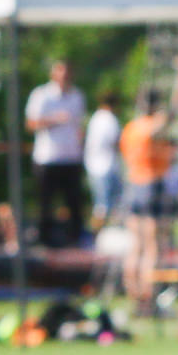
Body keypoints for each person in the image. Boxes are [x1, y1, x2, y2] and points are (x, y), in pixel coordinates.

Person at [117, 88, 178, 308]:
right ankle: (148, 296)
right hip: (151, 185)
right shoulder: (150, 127)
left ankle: (133, 293)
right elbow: (173, 114)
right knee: (153, 246)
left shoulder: (130, 128)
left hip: (133, 185)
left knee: (136, 245)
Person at [24, 57, 89, 249]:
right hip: (48, 158)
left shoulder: (77, 96)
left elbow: (79, 125)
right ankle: (45, 240)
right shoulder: (42, 95)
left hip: (71, 157)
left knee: (74, 202)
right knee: (45, 202)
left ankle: (75, 239)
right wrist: (54, 120)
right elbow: (31, 123)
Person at [84, 89, 123, 225]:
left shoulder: (96, 118)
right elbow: (116, 143)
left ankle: (99, 231)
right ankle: (98, 231)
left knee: (101, 204)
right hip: (107, 166)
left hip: (93, 165)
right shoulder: (109, 119)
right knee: (106, 206)